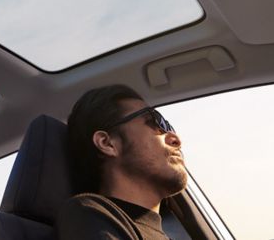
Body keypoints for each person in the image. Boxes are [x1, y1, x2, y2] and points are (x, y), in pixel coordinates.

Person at [56, 85, 186, 240]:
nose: (176, 139)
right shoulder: (87, 215)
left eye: (168, 126)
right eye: (155, 121)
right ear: (107, 143)